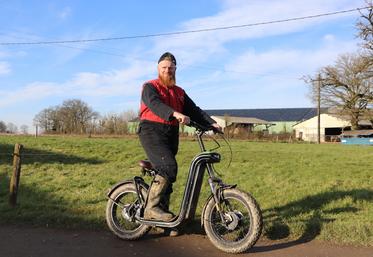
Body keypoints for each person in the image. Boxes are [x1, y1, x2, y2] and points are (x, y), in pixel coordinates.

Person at [138, 52, 222, 224]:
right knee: (168, 167)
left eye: (171, 68)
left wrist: (212, 123)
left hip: (171, 133)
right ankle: (151, 209)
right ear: (158, 68)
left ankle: (163, 221)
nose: (167, 71)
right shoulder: (149, 86)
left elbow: (195, 111)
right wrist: (174, 113)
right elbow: (155, 104)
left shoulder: (179, 92)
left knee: (168, 175)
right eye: (164, 67)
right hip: (151, 131)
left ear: (175, 69)